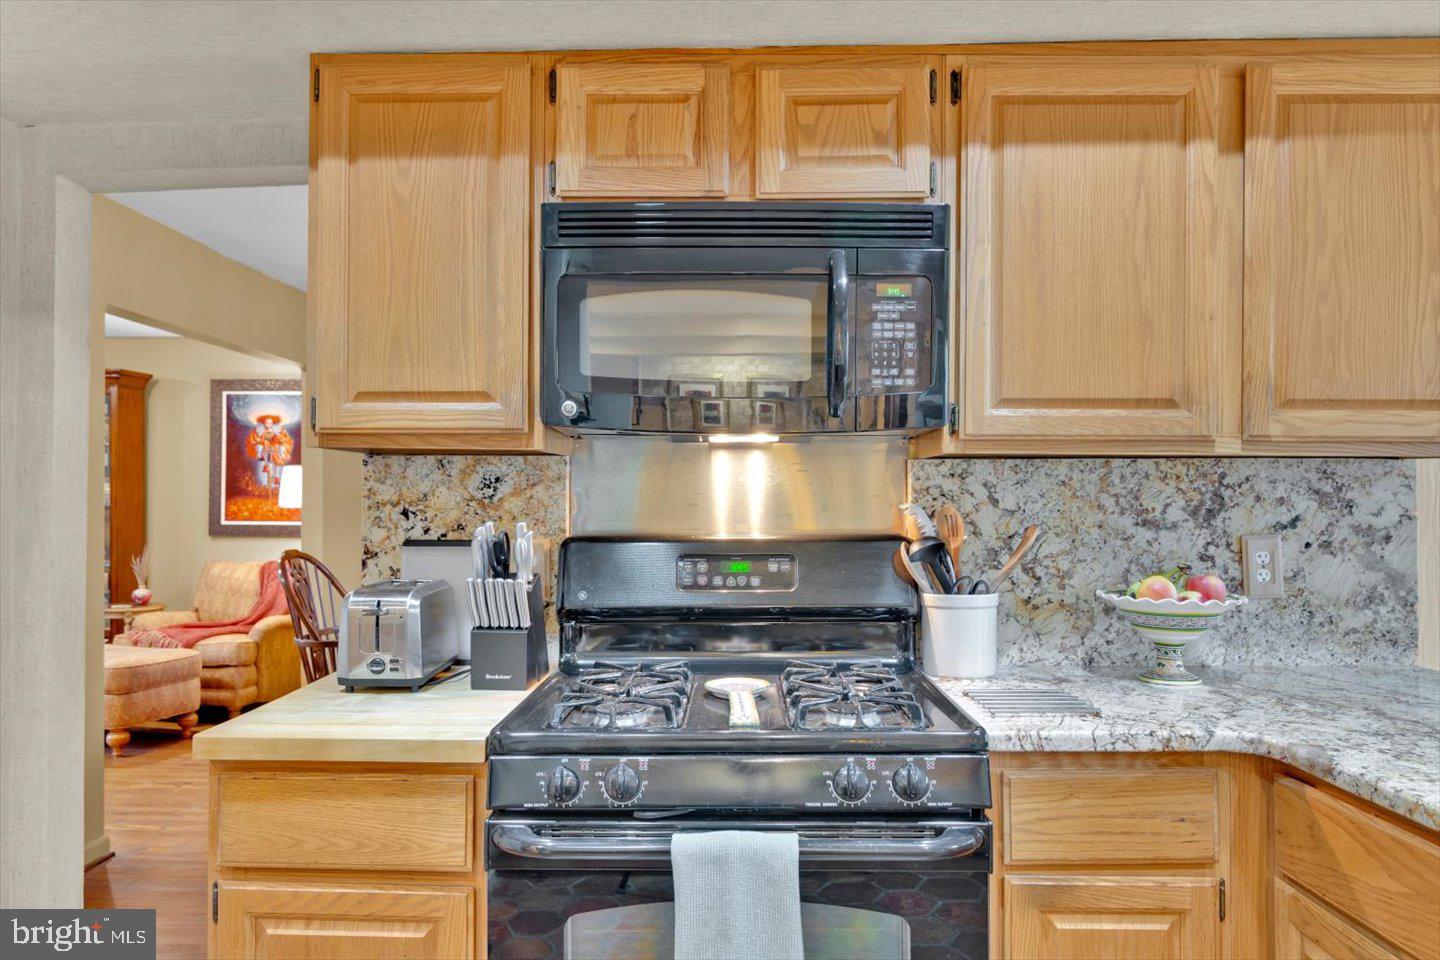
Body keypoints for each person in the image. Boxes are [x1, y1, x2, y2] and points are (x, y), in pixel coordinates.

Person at [244, 414, 294, 497]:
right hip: (265, 451)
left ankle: (275, 483)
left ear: (272, 423)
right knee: (265, 466)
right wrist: (263, 441)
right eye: (266, 423)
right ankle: (266, 486)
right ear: (264, 423)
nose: (268, 424)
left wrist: (278, 438)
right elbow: (256, 440)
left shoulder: (278, 431)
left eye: (270, 423)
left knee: (277, 465)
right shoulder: (260, 431)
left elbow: (284, 440)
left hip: (276, 450)